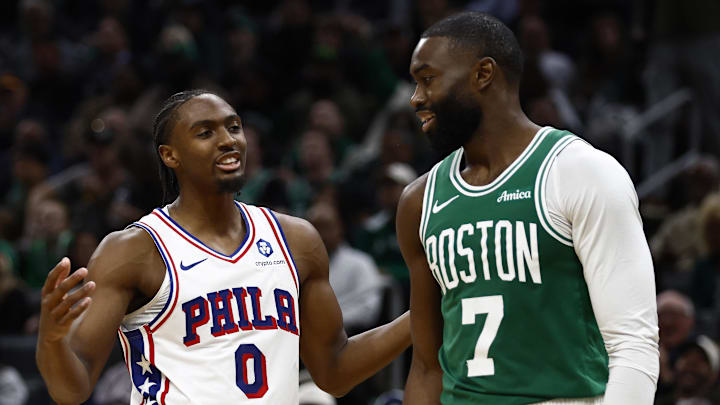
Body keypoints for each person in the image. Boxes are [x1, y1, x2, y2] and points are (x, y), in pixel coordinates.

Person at [36, 89, 410, 404]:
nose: (228, 140)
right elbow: (72, 388)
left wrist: (421, 315)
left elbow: (334, 371)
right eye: (205, 132)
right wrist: (51, 340)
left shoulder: (297, 240)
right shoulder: (135, 250)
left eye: (234, 127)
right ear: (170, 155)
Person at [396, 12, 659, 404]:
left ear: (483, 74)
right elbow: (425, 367)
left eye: (427, 79)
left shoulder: (581, 172)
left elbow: (633, 345)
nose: (416, 98)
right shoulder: (420, 200)